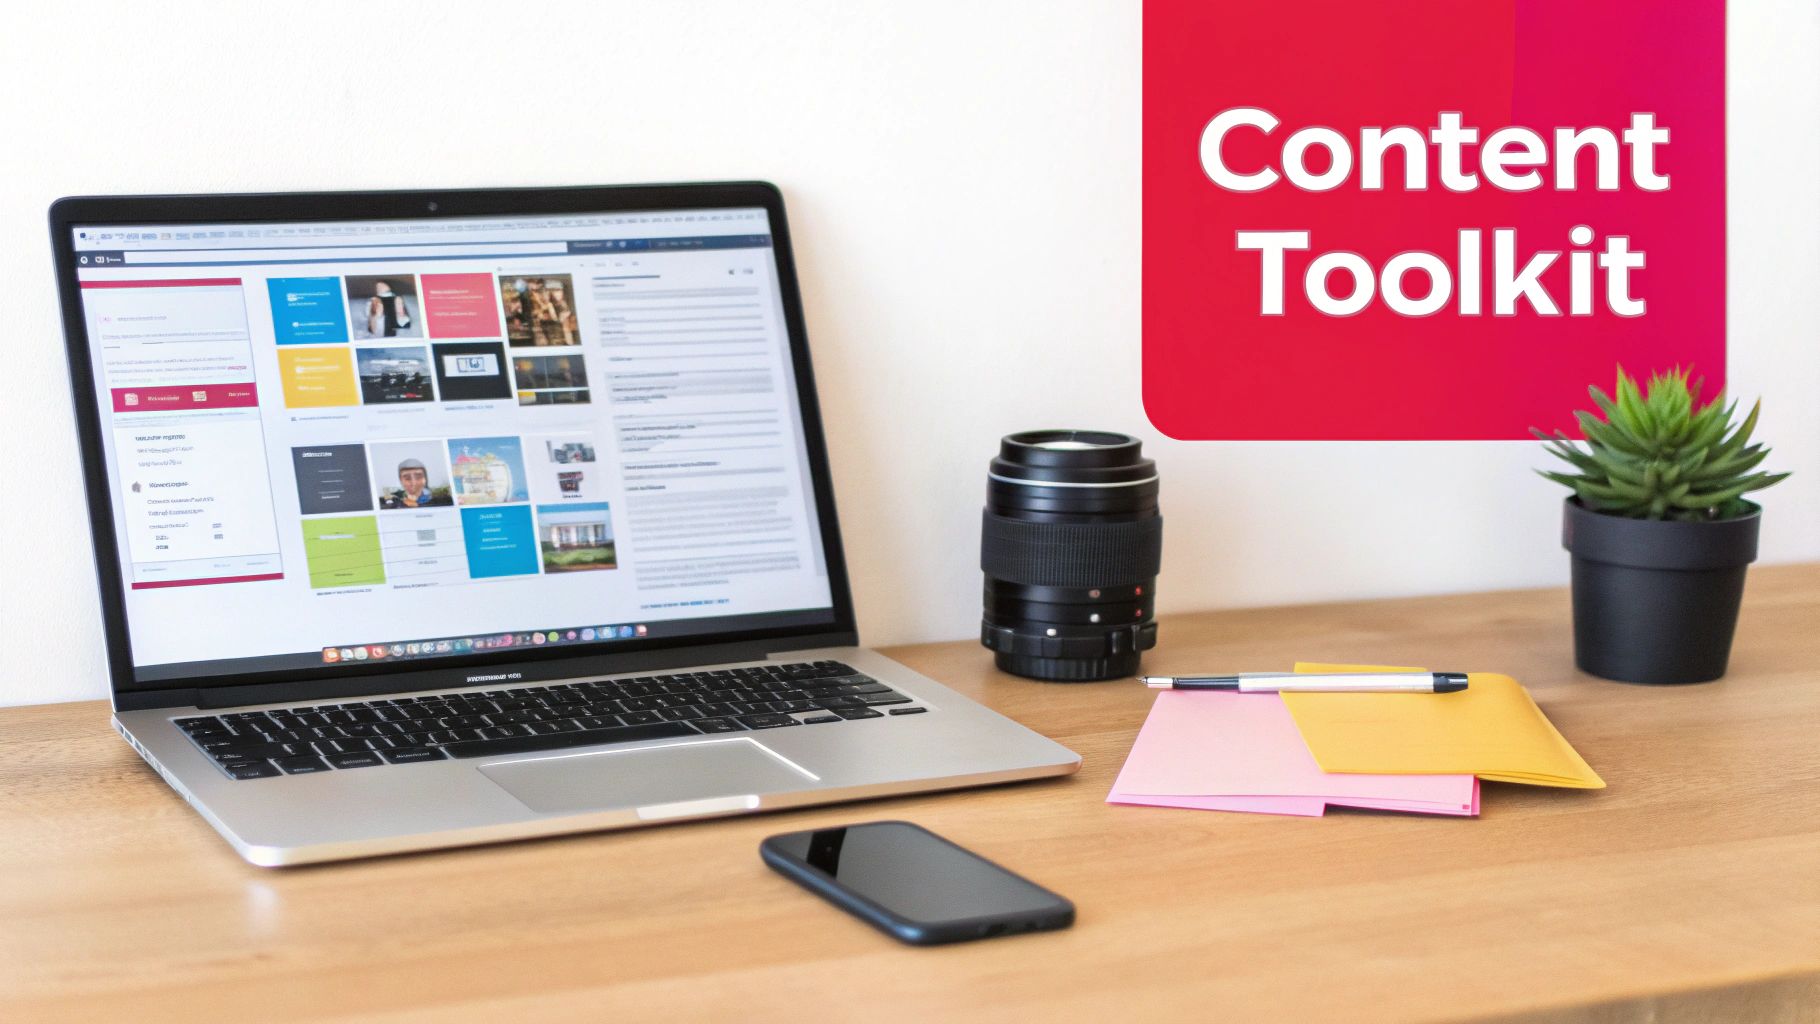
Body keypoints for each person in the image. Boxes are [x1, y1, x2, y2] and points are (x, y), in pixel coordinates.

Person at [385, 457, 449, 508]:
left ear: (425, 478)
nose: (413, 483)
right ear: (401, 480)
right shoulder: (394, 500)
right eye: (407, 478)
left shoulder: (439, 499)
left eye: (418, 477)